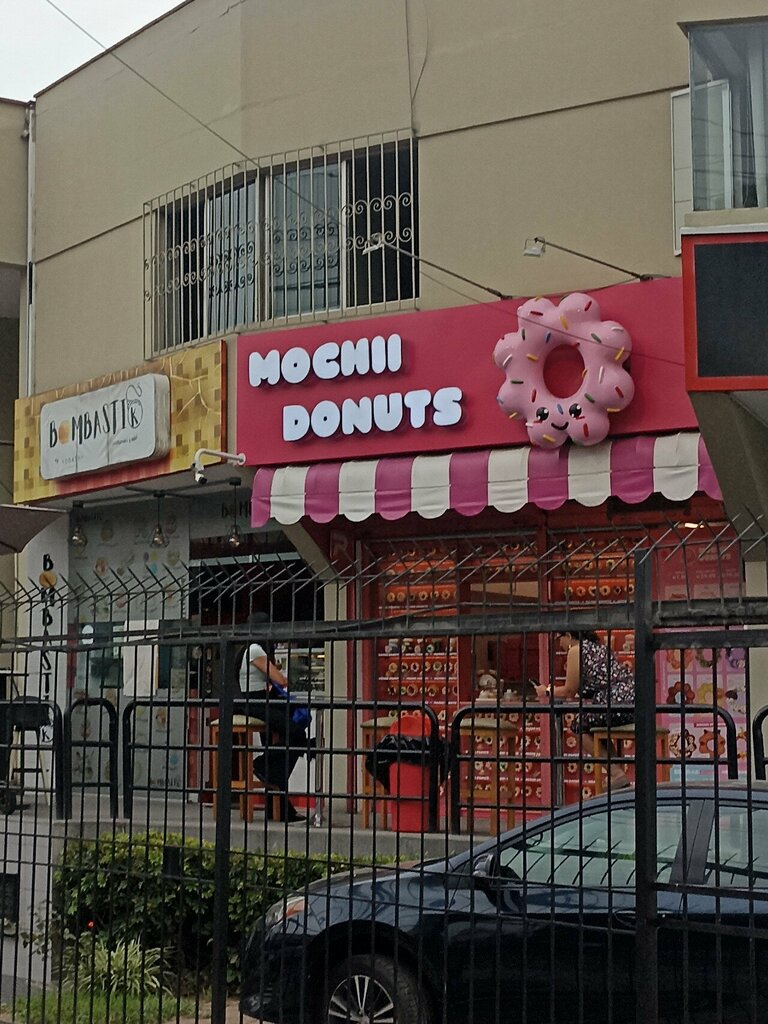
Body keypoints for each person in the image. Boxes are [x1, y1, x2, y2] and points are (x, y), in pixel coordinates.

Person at [535, 631, 634, 790]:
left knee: (578, 726)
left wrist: (546, 690)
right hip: (631, 702)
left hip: (615, 700)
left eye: (559, 639)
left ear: (568, 635)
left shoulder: (576, 650)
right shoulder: (600, 648)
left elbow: (569, 690)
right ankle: (616, 772)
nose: (559, 644)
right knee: (593, 725)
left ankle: (616, 773)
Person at [235, 613, 309, 823]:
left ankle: (276, 806)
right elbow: (281, 680)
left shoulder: (249, 649)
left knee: (279, 746)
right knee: (295, 732)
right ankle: (262, 764)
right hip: (257, 703)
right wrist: (276, 678)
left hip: (260, 700)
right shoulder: (255, 649)